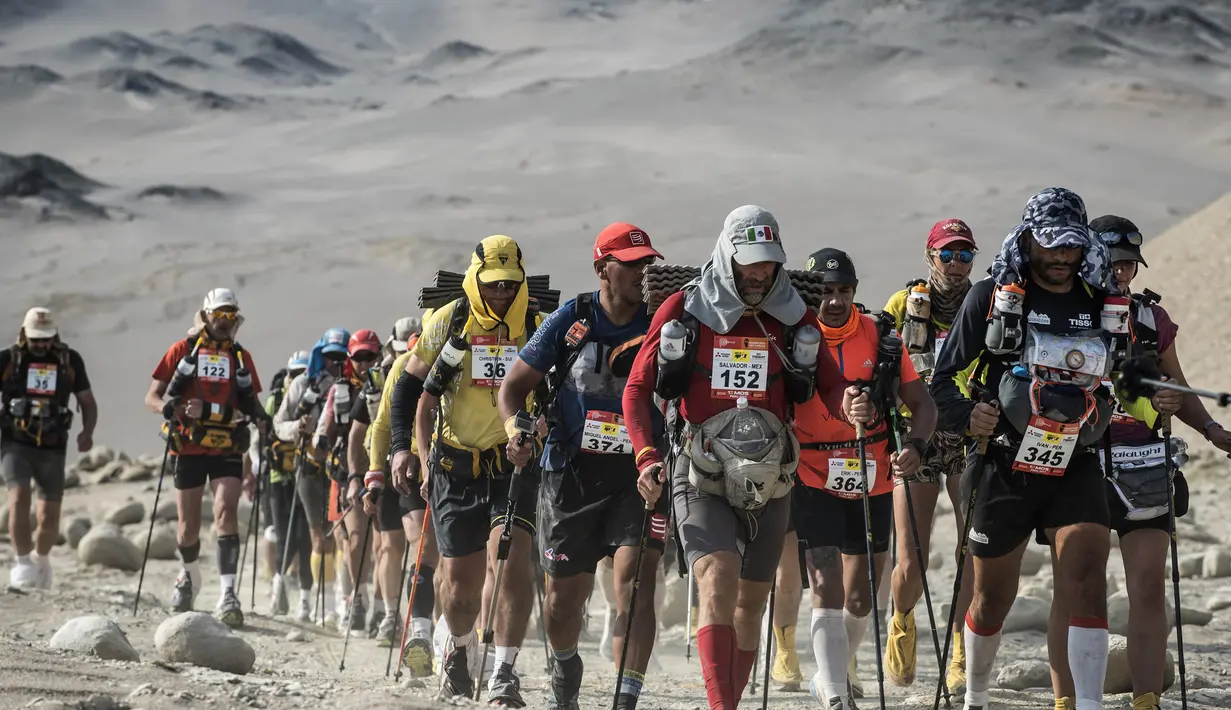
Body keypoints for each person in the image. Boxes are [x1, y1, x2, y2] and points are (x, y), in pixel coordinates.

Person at [929, 188, 1179, 710]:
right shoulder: (992, 296)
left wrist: (1153, 395)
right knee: (991, 598)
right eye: (1051, 248)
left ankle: (1086, 704)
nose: (1062, 258)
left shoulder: (1102, 301)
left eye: (1071, 247)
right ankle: (975, 693)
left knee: (1088, 573)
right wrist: (966, 416)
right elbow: (941, 380)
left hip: (1079, 460)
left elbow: (1124, 379)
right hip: (1004, 461)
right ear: (1029, 243)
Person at [623, 205, 856, 710]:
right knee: (717, 579)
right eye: (749, 263)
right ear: (728, 256)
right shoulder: (684, 310)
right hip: (700, 469)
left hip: (772, 476)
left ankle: (729, 695)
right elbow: (638, 391)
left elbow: (832, 385)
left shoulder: (795, 316)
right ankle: (722, 705)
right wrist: (645, 457)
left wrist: (851, 402)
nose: (759, 274)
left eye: (768, 264)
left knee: (752, 603)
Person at [1044, 215, 1231, 710]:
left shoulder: (1151, 319)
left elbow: (1179, 387)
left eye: (1130, 265)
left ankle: (1146, 700)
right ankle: (1068, 701)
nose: (1122, 274)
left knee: (1148, 584)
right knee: (1076, 583)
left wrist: (1211, 430)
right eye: (1115, 263)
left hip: (1145, 461)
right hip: (1074, 459)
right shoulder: (1058, 313)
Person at [498, 222, 666, 710]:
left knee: (637, 580)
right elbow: (513, 388)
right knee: (562, 602)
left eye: (648, 263)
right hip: (571, 473)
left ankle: (626, 698)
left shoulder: (663, 320)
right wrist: (517, 431)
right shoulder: (573, 318)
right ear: (602, 269)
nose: (643, 272)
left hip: (640, 475)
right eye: (632, 264)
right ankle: (565, 666)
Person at [387, 235, 544, 705]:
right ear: (476, 280)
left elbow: (556, 397)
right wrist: (403, 451)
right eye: (493, 285)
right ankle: (457, 649)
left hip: (512, 466)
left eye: (510, 285)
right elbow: (406, 393)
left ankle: (505, 671)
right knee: (459, 588)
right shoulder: (448, 321)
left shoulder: (536, 326)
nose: (502, 293)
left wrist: (537, 436)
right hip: (455, 466)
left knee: (513, 563)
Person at [779, 249, 937, 709]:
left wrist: (916, 446)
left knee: (863, 599)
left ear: (854, 292)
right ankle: (834, 695)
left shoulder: (881, 338)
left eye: (842, 291)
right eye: (824, 292)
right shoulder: (795, 337)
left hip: (874, 477)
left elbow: (922, 405)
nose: (833, 301)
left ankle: (832, 672)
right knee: (824, 582)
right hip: (812, 472)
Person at [881, 219, 979, 692]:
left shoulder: (989, 306)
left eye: (965, 256)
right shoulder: (903, 305)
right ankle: (901, 622)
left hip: (970, 439)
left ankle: (960, 649)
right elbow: (876, 357)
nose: (957, 265)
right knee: (911, 558)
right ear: (930, 256)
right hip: (914, 440)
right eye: (948, 255)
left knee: (973, 550)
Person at [146, 288, 263, 627]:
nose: (225, 321)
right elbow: (151, 396)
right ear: (206, 315)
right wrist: (168, 408)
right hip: (188, 446)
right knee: (188, 527)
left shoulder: (241, 357)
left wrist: (264, 419)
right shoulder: (182, 351)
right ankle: (189, 575)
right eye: (219, 314)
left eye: (231, 315)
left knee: (226, 511)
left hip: (228, 445)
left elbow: (251, 402)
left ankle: (228, 593)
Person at [363, 314, 441, 663]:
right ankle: (414, 626)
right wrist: (374, 475)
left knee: (455, 556)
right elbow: (381, 426)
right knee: (419, 546)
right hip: (412, 467)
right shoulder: (402, 368)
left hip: (463, 464)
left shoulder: (473, 353)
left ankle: (451, 631)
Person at [3, 307, 96, 589]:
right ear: (25, 335)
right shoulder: (9, 359)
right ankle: (21, 563)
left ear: (54, 335)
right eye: (35, 340)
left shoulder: (69, 360)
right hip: (14, 442)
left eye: (45, 339)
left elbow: (87, 401)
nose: (41, 345)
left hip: (53, 445)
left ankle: (41, 559)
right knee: (19, 497)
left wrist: (87, 432)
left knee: (49, 516)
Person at [273, 327, 350, 627]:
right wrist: (297, 430)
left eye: (341, 357)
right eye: (330, 357)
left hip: (340, 470)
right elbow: (279, 423)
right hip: (308, 467)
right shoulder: (304, 384)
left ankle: (339, 604)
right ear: (321, 355)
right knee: (318, 537)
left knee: (341, 535)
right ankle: (323, 605)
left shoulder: (351, 384)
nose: (335, 363)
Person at [314, 329, 382, 634]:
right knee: (353, 539)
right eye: (359, 357)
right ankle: (357, 597)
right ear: (350, 360)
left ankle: (374, 602)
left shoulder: (387, 382)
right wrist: (317, 442)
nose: (365, 363)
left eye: (371, 356)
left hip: (382, 470)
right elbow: (325, 431)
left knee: (377, 543)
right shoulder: (338, 391)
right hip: (345, 475)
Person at [262, 350, 313, 619]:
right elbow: (262, 435)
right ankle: (278, 588)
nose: (296, 380)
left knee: (306, 539)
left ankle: (305, 600)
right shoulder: (276, 401)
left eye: (302, 374)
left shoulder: (312, 399)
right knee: (284, 536)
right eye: (294, 374)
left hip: (307, 476)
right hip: (279, 479)